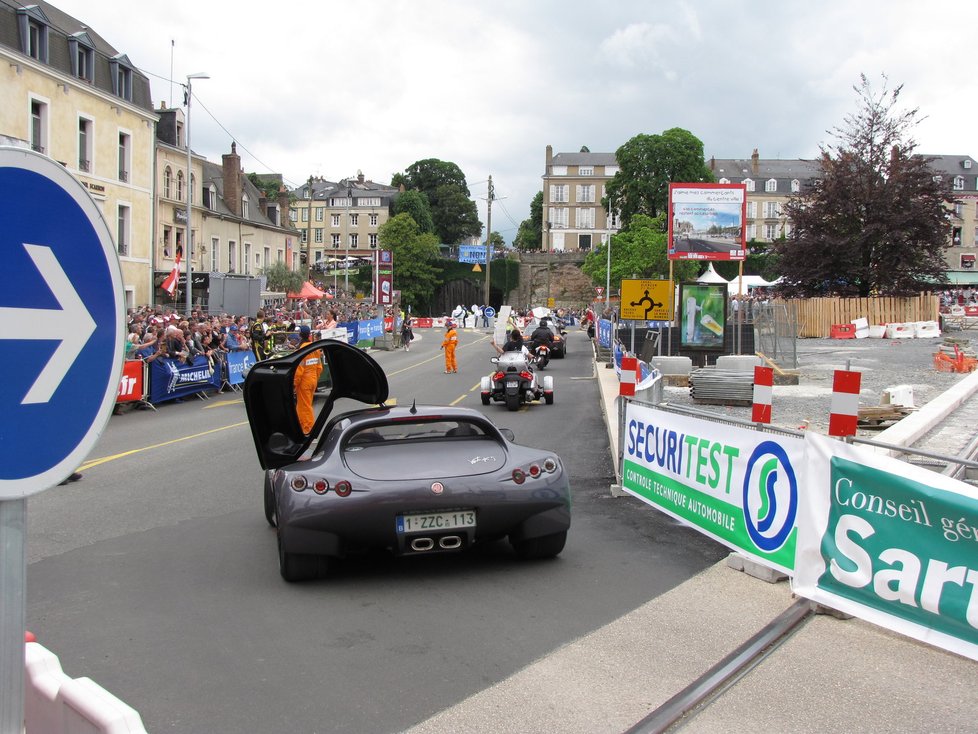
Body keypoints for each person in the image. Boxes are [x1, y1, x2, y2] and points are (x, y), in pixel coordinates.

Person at [293, 325, 324, 435]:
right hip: (313, 380)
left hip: (304, 382)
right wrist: (315, 379)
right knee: (304, 405)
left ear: (300, 335)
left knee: (304, 406)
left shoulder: (302, 350)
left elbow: (299, 371)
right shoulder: (314, 348)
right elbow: (319, 367)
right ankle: (303, 427)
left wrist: (294, 385)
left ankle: (308, 429)